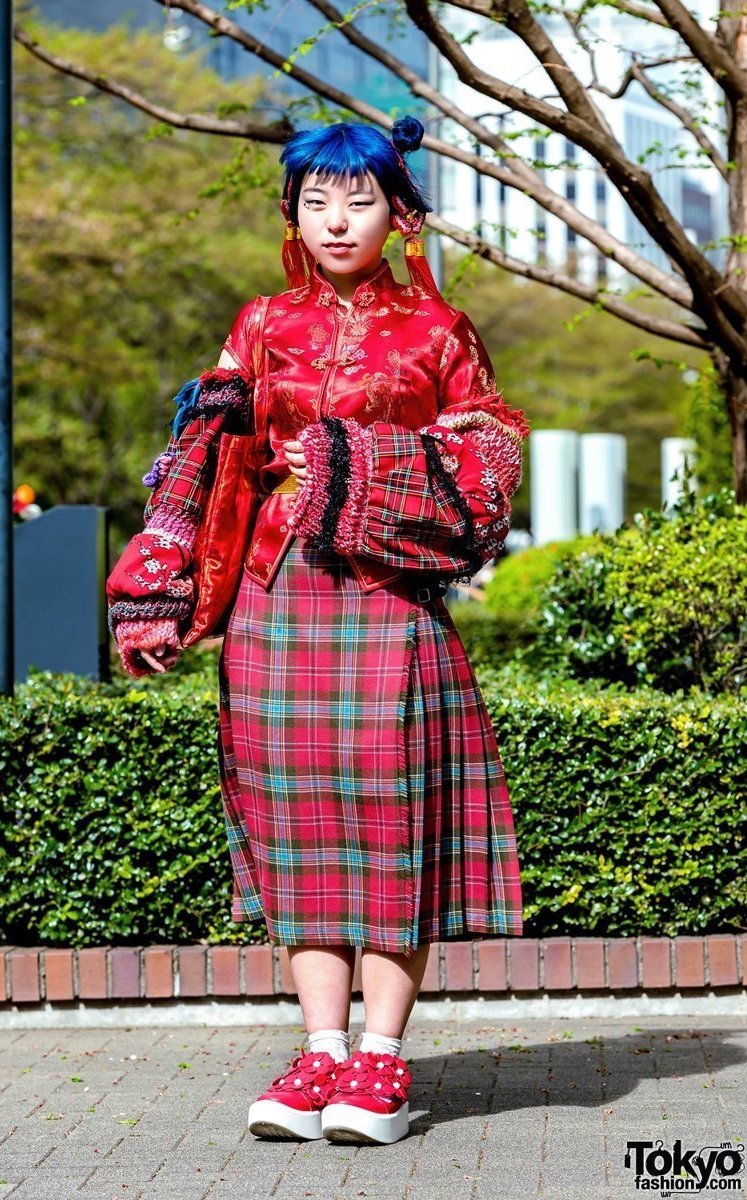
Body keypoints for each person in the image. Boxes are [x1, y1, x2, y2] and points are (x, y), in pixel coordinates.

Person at [106, 116, 529, 1147]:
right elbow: (202, 454)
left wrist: (358, 467)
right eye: (316, 201)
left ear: (399, 214)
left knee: (389, 823)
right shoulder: (260, 324)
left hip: (388, 600)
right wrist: (157, 583)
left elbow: (487, 475)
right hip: (274, 596)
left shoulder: (442, 333)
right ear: (292, 214)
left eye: (359, 200)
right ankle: (321, 1052)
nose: (337, 220)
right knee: (297, 824)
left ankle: (382, 1057)